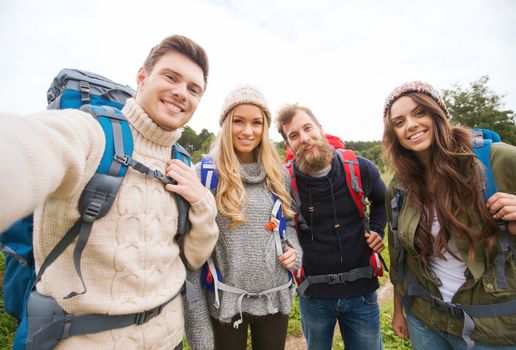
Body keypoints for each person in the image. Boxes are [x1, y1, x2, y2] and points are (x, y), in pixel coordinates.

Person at [0, 35, 219, 349]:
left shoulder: (181, 161)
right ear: (142, 77)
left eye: (193, 89)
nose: (181, 93)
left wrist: (201, 202)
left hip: (169, 340)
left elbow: (194, 256)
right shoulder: (91, 132)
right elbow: (28, 148)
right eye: (171, 77)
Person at [383, 81, 516, 349]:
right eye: (399, 122)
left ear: (439, 114)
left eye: (419, 112)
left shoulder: (496, 159)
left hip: (492, 329)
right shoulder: (399, 187)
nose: (410, 125)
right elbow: (399, 257)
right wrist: (399, 309)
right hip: (425, 321)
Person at [183, 85, 302, 350]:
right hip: (224, 302)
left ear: (265, 128)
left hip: (275, 299)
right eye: (239, 121)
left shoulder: (278, 174)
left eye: (256, 123)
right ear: (226, 124)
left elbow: (289, 224)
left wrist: (294, 252)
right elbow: (191, 253)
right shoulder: (203, 175)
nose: (248, 131)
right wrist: (198, 332)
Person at [275, 104, 387, 350]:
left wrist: (377, 229)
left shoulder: (360, 168)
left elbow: (382, 200)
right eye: (294, 135)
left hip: (362, 292)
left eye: (308, 128)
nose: (304, 138)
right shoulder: (284, 182)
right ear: (288, 145)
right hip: (313, 296)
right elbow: (280, 226)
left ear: (320, 129)